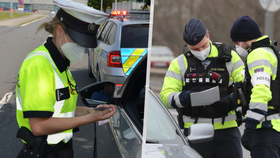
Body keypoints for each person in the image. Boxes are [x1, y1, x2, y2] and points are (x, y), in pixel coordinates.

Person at [15, 0, 116, 157]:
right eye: (78, 41)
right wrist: (90, 119)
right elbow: (39, 126)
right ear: (60, 31)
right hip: (43, 152)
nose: (81, 48)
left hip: (61, 151)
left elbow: (59, 110)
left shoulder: (60, 65)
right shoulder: (39, 65)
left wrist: (91, 112)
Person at [160, 18, 244, 158]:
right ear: (187, 45)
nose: (200, 51)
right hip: (195, 133)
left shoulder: (230, 57)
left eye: (203, 46)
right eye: (195, 49)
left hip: (227, 131)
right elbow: (165, 97)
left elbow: (246, 87)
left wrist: (230, 100)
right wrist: (186, 98)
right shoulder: (179, 63)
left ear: (208, 36)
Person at [230, 15, 280, 158]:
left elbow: (261, 91)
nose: (237, 47)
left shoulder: (258, 55)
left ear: (241, 40)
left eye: (236, 42)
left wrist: (250, 127)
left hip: (266, 130)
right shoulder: (272, 51)